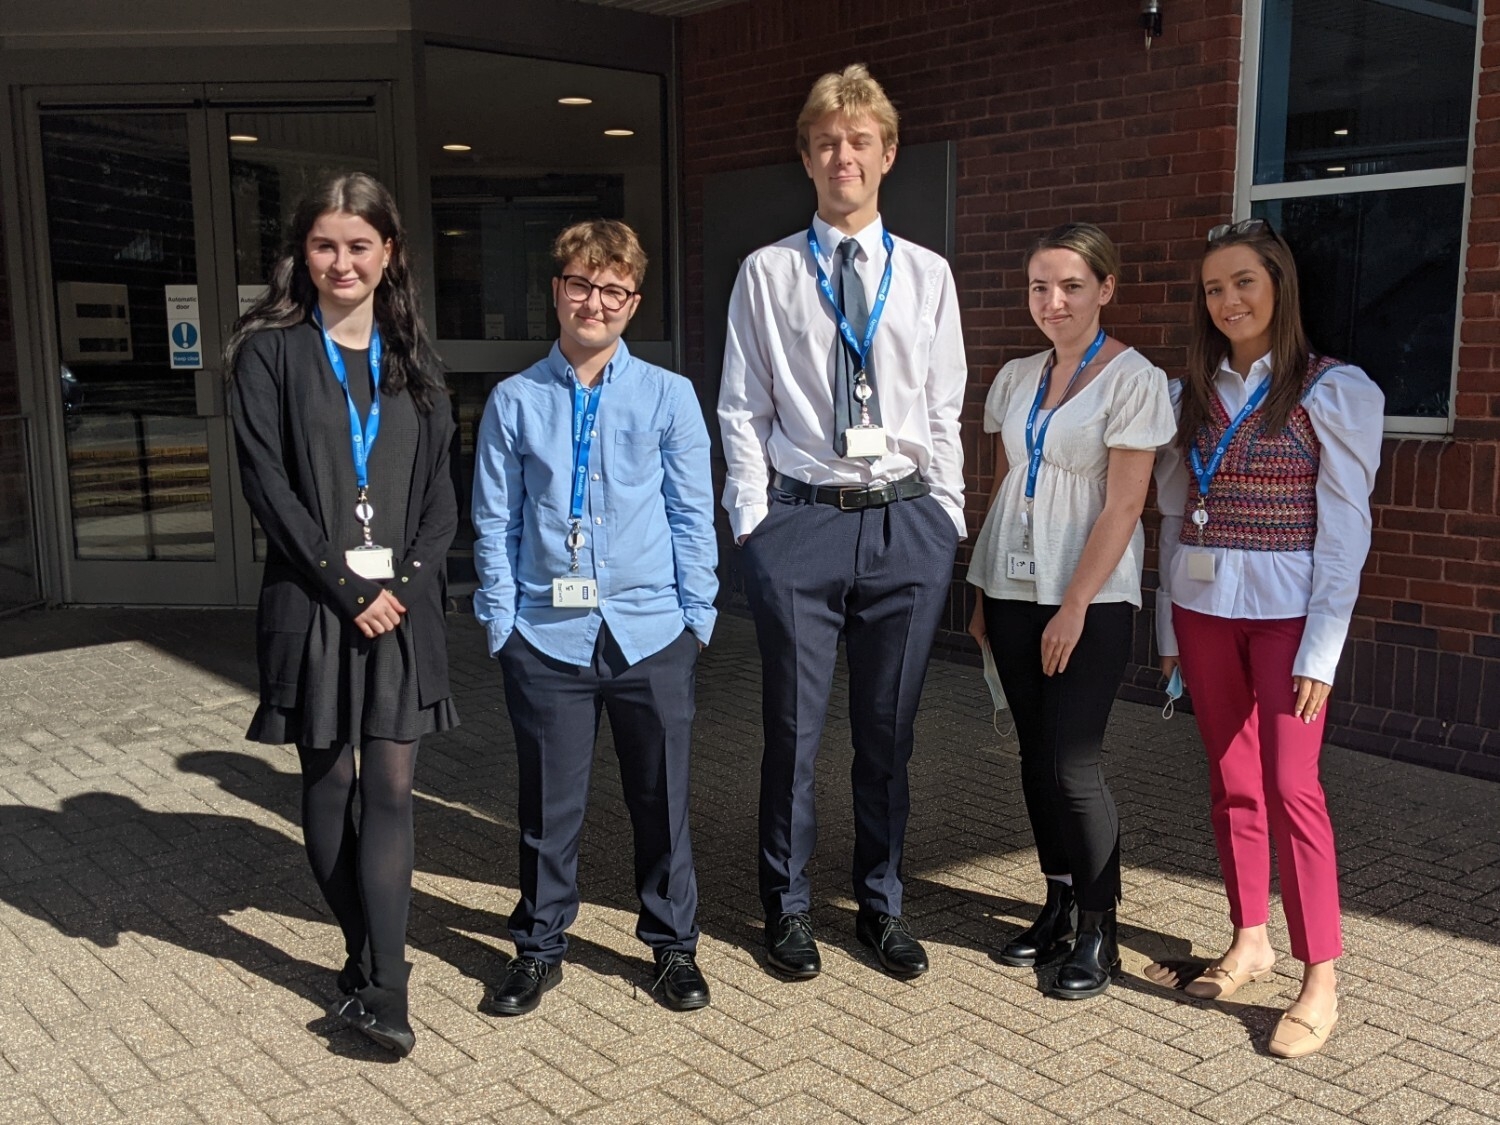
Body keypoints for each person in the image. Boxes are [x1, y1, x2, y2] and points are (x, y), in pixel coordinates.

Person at [718, 64, 966, 981]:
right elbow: (741, 406)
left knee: (889, 733)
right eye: (826, 141)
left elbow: (943, 407)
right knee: (793, 731)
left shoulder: (928, 275)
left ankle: (881, 902)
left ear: (887, 153)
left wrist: (946, 517)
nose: (842, 155)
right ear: (807, 156)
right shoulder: (769, 271)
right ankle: (784, 906)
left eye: (859, 140)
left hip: (905, 523)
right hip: (803, 525)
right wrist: (753, 520)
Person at [229, 172, 458, 1059]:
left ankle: (387, 990)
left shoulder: (414, 359)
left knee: (393, 787)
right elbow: (268, 487)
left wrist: (401, 581)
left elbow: (443, 493)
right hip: (314, 604)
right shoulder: (269, 354)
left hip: (401, 609)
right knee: (329, 786)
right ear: (303, 252)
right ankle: (365, 954)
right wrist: (349, 587)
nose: (342, 262)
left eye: (359, 245)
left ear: (388, 252)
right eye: (325, 245)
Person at [1146, 219, 1383, 1058]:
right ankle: (1251, 935)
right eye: (1214, 288)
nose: (1229, 300)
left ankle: (1322, 973)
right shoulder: (1193, 391)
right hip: (1207, 612)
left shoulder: (1330, 389)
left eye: (1243, 281)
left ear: (1277, 284)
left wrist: (1322, 648)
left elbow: (1346, 529)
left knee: (1293, 786)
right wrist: (1171, 624)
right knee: (1231, 777)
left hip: (1289, 614)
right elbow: (1174, 516)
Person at [472, 219, 718, 1016]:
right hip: (548, 636)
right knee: (550, 806)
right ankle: (540, 949)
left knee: (663, 802)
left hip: (652, 633)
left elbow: (692, 515)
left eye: (612, 289)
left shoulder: (669, 396)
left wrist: (697, 619)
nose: (595, 301)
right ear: (557, 291)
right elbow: (494, 521)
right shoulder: (515, 400)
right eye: (581, 283)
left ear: (633, 301)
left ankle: (673, 947)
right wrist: (502, 623)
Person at [965, 223, 1173, 999]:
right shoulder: (1016, 376)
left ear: (1106, 290)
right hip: (1014, 591)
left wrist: (1075, 603)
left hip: (1087, 598)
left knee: (1073, 763)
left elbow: (1123, 506)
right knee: (1032, 754)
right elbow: (1002, 489)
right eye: (1039, 287)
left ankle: (1100, 928)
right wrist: (983, 591)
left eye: (1072, 286)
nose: (1053, 302)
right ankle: (1055, 902)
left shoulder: (1134, 379)